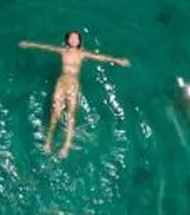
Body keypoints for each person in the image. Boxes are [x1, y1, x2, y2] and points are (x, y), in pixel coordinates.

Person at [19, 29, 128, 158]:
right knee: (55, 113)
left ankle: (66, 146)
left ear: (79, 41)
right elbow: (45, 47)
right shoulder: (63, 51)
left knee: (71, 115)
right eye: (71, 38)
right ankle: (48, 142)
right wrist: (29, 44)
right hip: (61, 83)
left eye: (76, 38)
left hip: (73, 85)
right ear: (67, 40)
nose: (73, 40)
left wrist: (118, 61)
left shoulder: (82, 54)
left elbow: (100, 57)